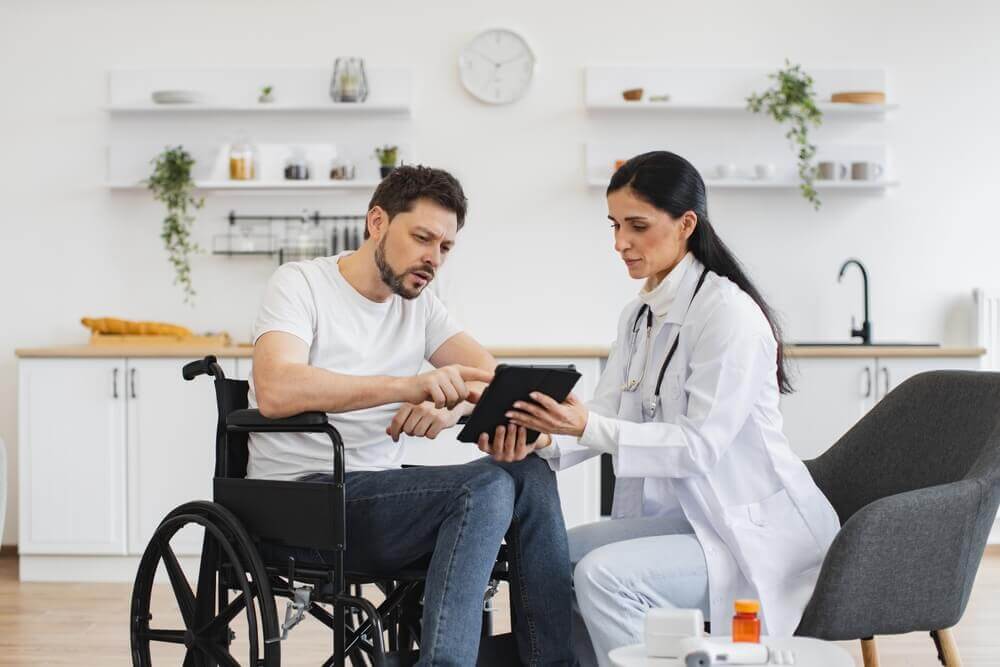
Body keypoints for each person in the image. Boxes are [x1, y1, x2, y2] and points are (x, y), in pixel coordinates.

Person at [483, 151, 841, 666]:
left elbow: (698, 447)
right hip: (689, 522)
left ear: (686, 224)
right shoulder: (640, 315)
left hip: (752, 534)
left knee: (602, 578)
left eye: (637, 225)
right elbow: (607, 413)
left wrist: (585, 425)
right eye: (613, 225)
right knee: (550, 560)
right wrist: (544, 434)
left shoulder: (728, 315)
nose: (619, 242)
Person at [249, 165, 573, 666]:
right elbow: (275, 388)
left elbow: (495, 381)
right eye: (422, 237)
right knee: (482, 488)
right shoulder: (300, 284)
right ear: (377, 221)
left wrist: (453, 410)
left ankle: (554, 663)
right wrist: (407, 385)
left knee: (527, 470)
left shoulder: (421, 307)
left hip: (378, 493)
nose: (433, 258)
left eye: (445, 247)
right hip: (305, 499)